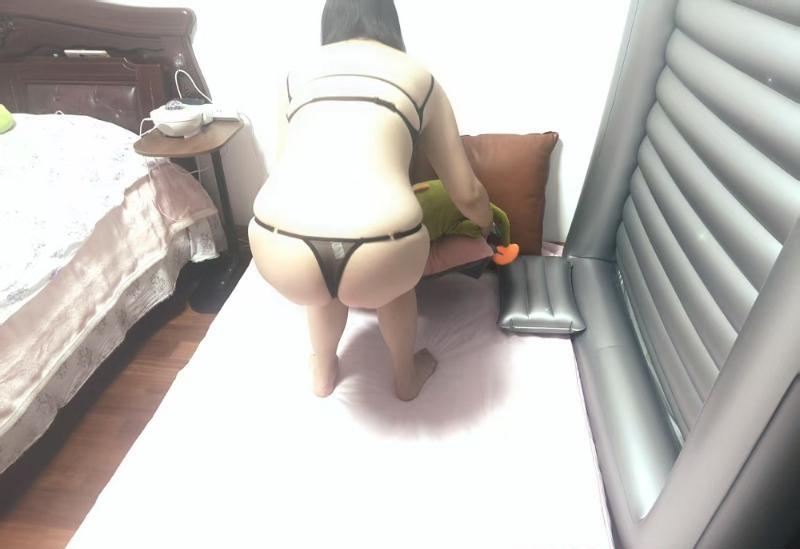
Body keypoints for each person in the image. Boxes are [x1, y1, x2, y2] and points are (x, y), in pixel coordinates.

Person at [248, 0, 492, 401]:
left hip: (279, 246)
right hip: (382, 253)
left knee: (320, 287)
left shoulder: (294, 76)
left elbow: (282, 170)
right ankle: (405, 377)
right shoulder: (421, 79)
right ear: (388, 20)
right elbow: (467, 193)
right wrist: (486, 225)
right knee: (395, 286)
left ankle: (323, 369)